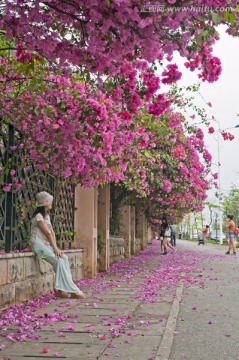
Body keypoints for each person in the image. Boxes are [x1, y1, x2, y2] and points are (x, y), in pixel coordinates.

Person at [30, 191, 85, 299]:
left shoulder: (46, 216)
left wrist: (56, 248)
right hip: (37, 245)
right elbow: (47, 233)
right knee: (59, 262)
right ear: (45, 203)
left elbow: (52, 232)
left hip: (45, 245)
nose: (51, 203)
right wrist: (55, 249)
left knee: (63, 258)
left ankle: (60, 290)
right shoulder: (38, 217)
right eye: (49, 201)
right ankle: (71, 290)